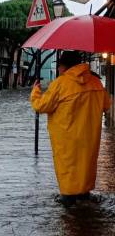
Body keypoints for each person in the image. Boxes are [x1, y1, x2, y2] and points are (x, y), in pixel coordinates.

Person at [30, 51, 111, 206]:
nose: (59, 69)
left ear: (64, 66)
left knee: (68, 169)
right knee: (85, 166)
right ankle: (84, 197)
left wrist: (35, 92)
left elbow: (41, 106)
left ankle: (69, 200)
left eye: (59, 66)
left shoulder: (60, 84)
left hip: (66, 139)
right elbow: (106, 105)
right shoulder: (96, 82)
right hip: (89, 138)